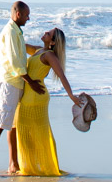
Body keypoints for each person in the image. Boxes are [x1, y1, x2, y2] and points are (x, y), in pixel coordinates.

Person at [0, 1, 45, 179]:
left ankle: (13, 163)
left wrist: (47, 50)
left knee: (13, 125)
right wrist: (31, 82)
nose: (28, 18)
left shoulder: (17, 32)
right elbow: (14, 62)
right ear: (18, 14)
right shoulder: (10, 31)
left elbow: (25, 50)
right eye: (27, 15)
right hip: (9, 83)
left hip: (17, 84)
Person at [13, 27, 83, 176]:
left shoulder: (50, 55)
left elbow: (62, 76)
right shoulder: (38, 50)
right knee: (26, 132)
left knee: (37, 133)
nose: (44, 33)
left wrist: (71, 96)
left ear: (52, 42)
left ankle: (36, 167)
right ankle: (30, 167)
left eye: (48, 34)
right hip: (28, 94)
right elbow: (21, 45)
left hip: (36, 96)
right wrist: (14, 31)